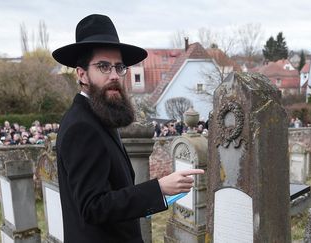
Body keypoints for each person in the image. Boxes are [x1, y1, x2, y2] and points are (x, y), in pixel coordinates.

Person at [52, 14, 204, 243]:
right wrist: (159, 189)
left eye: (119, 67)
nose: (114, 75)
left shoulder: (98, 115)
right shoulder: (81, 127)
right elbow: (94, 207)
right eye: (103, 66)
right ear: (82, 74)